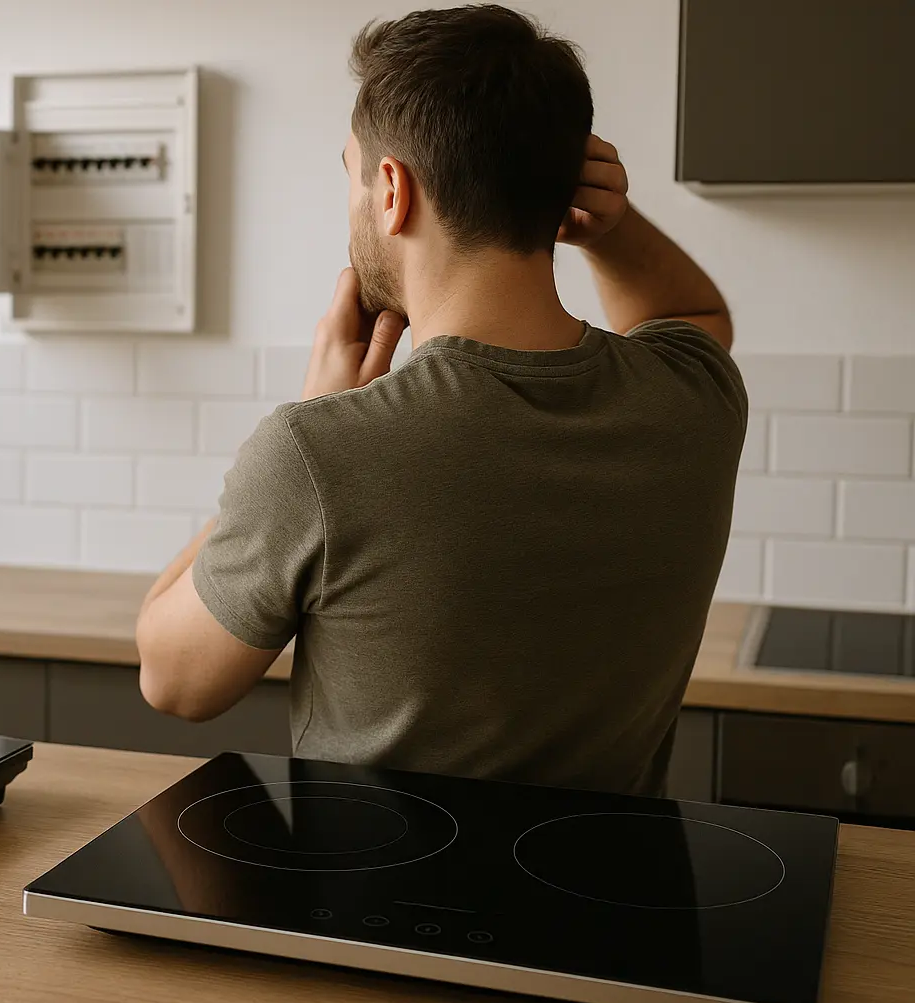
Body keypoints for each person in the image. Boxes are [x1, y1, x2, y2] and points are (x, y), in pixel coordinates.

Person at [134, 4, 746, 796]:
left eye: (352, 174)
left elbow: (174, 682)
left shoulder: (318, 453)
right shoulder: (694, 397)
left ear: (391, 190)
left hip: (379, 917)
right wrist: (609, 228)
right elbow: (697, 318)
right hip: (614, 903)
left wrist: (311, 414)